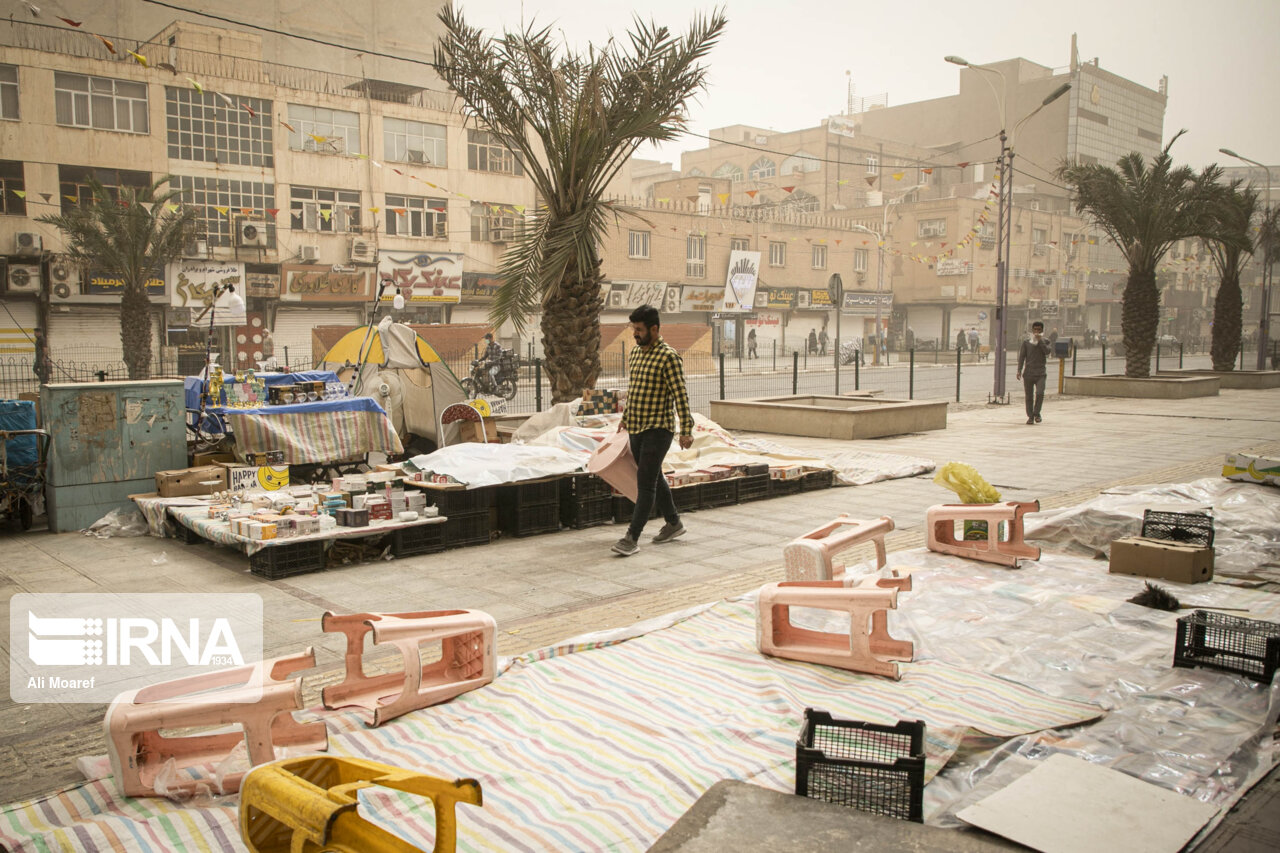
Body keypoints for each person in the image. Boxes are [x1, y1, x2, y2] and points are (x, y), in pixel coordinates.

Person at [613, 305, 694, 557]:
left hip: (659, 428)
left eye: (639, 330)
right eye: (633, 329)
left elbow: (680, 394)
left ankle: (631, 537)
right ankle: (673, 523)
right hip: (636, 425)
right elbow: (634, 390)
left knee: (645, 483)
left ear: (655, 329)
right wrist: (625, 418)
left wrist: (686, 429)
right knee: (654, 476)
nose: (635, 334)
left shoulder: (669, 357)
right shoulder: (636, 354)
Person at [1017, 321, 1052, 425]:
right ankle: (1030, 416)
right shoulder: (1027, 342)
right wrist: (1019, 370)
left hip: (1041, 373)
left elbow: (1047, 352)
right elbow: (1022, 357)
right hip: (1028, 373)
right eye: (1035, 329)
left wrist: (1040, 340)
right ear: (1032, 330)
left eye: (1039, 330)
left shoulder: (1046, 341)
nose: (1036, 332)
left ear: (1042, 330)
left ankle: (1037, 413)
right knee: (1029, 396)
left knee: (1040, 393)